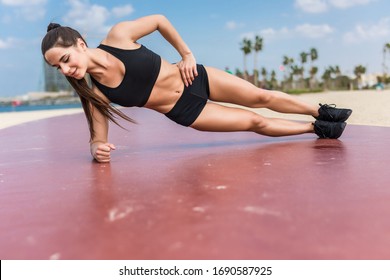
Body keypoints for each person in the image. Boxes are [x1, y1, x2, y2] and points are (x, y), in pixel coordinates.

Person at [41, 14, 352, 163]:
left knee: (262, 96)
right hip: (187, 111)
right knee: (255, 122)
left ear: (80, 44)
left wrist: (186, 55)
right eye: (58, 68)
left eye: (66, 60)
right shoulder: (95, 92)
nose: (66, 70)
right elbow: (98, 137)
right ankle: (317, 127)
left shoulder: (119, 35)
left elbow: (160, 21)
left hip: (195, 78)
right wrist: (97, 149)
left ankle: (320, 109)